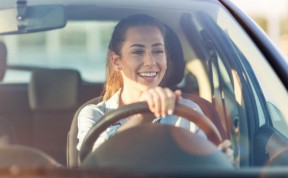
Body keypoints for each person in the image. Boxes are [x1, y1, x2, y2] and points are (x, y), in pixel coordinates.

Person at [77, 14, 234, 163]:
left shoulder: (188, 111)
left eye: (158, 51)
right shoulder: (93, 115)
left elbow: (204, 169)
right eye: (138, 52)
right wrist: (143, 116)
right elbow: (95, 165)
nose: (150, 62)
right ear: (116, 61)